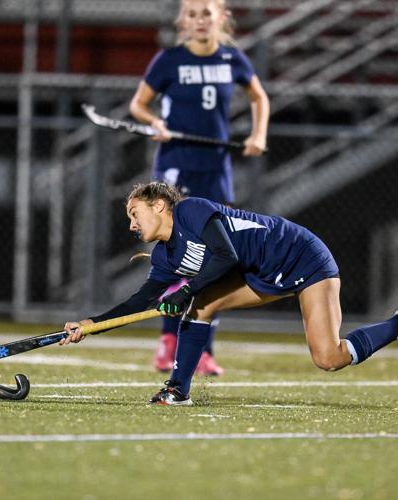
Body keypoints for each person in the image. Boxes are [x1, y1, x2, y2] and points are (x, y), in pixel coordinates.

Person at [60, 182, 398, 406]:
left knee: (329, 357)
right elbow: (139, 301)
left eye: (134, 212)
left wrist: (186, 290)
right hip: (262, 274)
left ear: (159, 206)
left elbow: (226, 254)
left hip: (300, 256)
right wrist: (90, 325)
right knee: (200, 305)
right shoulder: (164, 256)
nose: (131, 223)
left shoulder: (191, 211)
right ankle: (178, 390)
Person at [129, 0, 270, 376]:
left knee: (216, 257)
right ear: (183, 21)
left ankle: (202, 346)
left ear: (221, 17)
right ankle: (167, 343)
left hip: (215, 169)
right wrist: (155, 122)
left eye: (206, 13)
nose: (200, 21)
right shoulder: (169, 60)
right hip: (176, 166)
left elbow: (259, 97)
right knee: (176, 256)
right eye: (192, 14)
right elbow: (138, 105)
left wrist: (258, 134)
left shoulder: (232, 60)